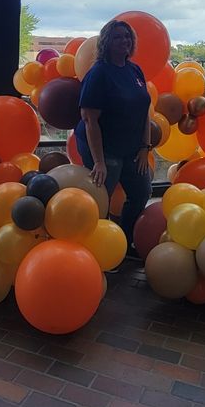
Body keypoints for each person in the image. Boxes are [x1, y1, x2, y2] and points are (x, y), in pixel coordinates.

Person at [75, 19, 152, 249]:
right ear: (107, 42)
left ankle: (123, 243)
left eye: (127, 37)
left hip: (132, 148)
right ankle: (100, 250)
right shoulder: (99, 73)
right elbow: (90, 120)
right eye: (118, 37)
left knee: (141, 193)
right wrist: (99, 162)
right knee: (101, 202)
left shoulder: (134, 70)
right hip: (104, 148)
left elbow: (144, 111)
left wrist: (144, 146)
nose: (124, 41)